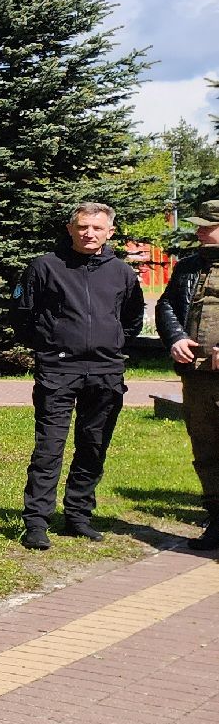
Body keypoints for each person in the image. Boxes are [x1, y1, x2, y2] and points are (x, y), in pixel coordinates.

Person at [16, 201, 145, 550]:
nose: (89, 233)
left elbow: (132, 319)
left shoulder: (122, 273)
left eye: (97, 228)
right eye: (83, 227)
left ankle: (78, 516)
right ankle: (37, 522)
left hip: (105, 371)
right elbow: (22, 314)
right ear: (70, 229)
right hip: (58, 370)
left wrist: (111, 344)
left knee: (93, 446)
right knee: (49, 448)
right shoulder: (45, 267)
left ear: (110, 232)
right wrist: (49, 346)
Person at [155, 199, 219, 551]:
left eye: (207, 227)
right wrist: (176, 337)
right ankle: (216, 518)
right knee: (205, 446)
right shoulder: (189, 266)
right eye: (198, 226)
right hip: (197, 378)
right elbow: (166, 305)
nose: (199, 232)